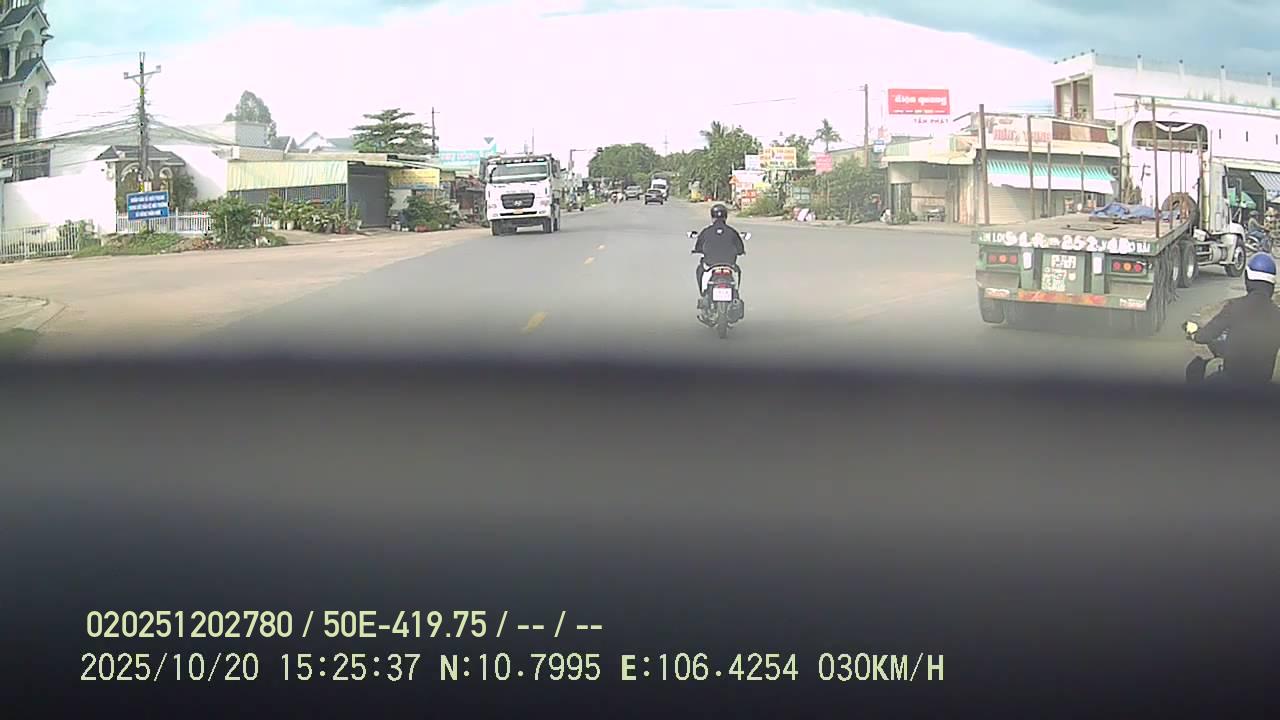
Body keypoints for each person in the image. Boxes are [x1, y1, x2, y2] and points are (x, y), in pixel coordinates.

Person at [1186, 252, 1280, 385]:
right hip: (1262, 384)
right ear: (1271, 285)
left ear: (1247, 279)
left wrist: (1195, 334)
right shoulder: (1277, 314)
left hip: (1231, 382)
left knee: (1195, 371)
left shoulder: (1234, 307)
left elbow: (1204, 337)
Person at [691, 203, 746, 308]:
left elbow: (698, 246)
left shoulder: (706, 231)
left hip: (710, 264)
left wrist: (697, 250)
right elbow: (740, 248)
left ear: (712, 216)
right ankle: (735, 293)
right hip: (729, 264)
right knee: (738, 271)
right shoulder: (732, 231)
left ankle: (704, 293)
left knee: (700, 269)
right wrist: (740, 252)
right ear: (726, 216)